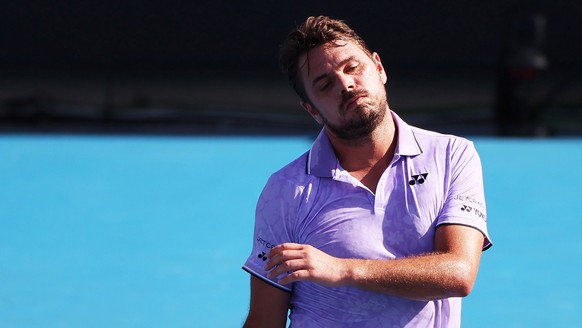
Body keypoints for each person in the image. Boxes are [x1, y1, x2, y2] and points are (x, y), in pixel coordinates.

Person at [242, 15, 491, 328]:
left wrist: (342, 270)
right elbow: (265, 321)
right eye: (325, 84)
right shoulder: (285, 190)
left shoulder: (452, 155)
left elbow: (458, 273)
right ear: (312, 110)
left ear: (379, 68)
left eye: (352, 68)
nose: (345, 85)